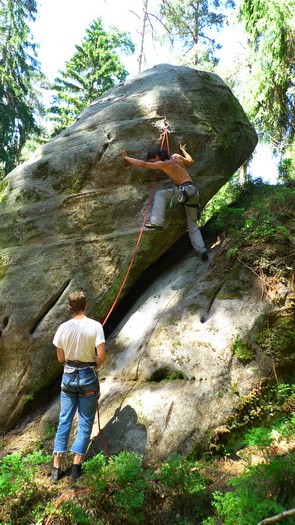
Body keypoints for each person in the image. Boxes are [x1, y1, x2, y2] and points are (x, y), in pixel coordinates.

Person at [51, 291, 106, 483]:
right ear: (86, 305)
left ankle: (56, 470)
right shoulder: (96, 326)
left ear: (69, 308)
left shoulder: (62, 328)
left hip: (68, 377)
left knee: (64, 420)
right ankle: (75, 470)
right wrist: (93, 364)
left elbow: (60, 358)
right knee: (85, 422)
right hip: (88, 377)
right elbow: (101, 357)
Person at [119, 144, 208, 261]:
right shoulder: (176, 157)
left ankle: (157, 222)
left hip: (184, 191)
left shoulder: (163, 163)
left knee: (160, 194)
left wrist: (126, 158)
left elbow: (144, 164)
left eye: (153, 161)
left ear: (157, 157)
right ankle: (202, 252)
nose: (153, 164)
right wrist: (183, 151)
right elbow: (191, 161)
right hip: (193, 192)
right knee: (192, 225)